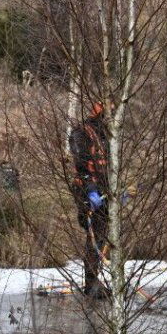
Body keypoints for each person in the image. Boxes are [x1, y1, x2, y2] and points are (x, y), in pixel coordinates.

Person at [69, 103, 110, 297]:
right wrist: (90, 189)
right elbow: (81, 164)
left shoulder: (107, 135)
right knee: (93, 233)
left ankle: (96, 280)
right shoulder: (81, 133)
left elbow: (109, 166)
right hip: (87, 190)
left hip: (104, 190)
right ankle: (91, 283)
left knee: (102, 235)